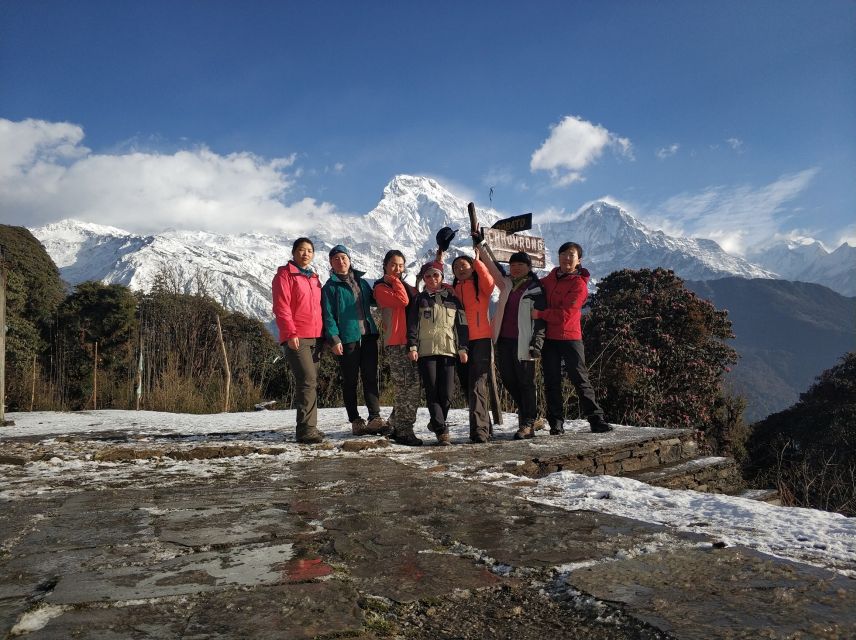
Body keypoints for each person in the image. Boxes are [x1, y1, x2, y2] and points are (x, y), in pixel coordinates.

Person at [534, 242, 613, 434]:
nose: (566, 258)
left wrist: (540, 315)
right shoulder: (547, 280)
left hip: (570, 337)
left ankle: (596, 419)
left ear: (579, 260)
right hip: (550, 339)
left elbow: (565, 314)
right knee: (551, 382)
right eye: (563, 254)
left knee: (579, 378)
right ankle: (556, 423)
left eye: (571, 255)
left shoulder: (579, 285)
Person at [478, 245, 546, 439]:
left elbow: (540, 320)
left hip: (524, 343)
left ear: (529, 267)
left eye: (520, 264)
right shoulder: (507, 283)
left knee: (526, 383)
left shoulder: (536, 289)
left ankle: (528, 423)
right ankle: (530, 413)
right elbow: (492, 267)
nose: (515, 268)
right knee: (508, 380)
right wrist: (481, 245)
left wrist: (537, 343)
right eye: (512, 264)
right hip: (504, 340)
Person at [322, 244, 387, 436]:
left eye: (343, 258)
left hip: (368, 336)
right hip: (347, 339)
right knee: (350, 381)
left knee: (370, 378)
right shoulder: (330, 288)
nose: (340, 261)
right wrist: (334, 339)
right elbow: (328, 316)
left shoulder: (362, 282)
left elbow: (376, 300)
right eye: (336, 259)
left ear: (349, 260)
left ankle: (375, 418)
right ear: (331, 264)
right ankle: (355, 420)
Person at [407, 261, 469, 445]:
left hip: (449, 351)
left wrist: (463, 348)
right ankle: (442, 431)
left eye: (436, 275)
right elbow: (412, 325)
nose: (432, 279)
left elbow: (461, 326)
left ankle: (436, 421)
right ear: (423, 279)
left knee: (448, 393)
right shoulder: (419, 299)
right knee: (432, 391)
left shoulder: (454, 299)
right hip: (426, 351)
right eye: (428, 276)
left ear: (442, 277)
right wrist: (412, 347)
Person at [272, 237, 325, 444]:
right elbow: (281, 306)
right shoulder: (285, 275)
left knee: (310, 382)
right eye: (302, 250)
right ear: (293, 252)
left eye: (310, 251)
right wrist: (290, 332)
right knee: (307, 380)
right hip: (297, 336)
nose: (306, 254)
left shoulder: (314, 277)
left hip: (316, 337)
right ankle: (304, 429)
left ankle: (310, 426)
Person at [373, 250, 423, 446]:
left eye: (401, 265)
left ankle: (396, 423)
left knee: (410, 386)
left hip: (411, 342)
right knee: (407, 388)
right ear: (385, 265)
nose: (397, 269)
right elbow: (403, 300)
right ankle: (404, 430)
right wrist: (394, 280)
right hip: (396, 342)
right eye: (393, 264)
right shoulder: (380, 287)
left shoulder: (404, 286)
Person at [448, 251, 495, 443]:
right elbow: (433, 279)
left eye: (464, 265)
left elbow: (490, 283)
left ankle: (479, 432)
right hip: (459, 343)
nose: (460, 269)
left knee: (477, 384)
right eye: (456, 267)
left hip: (481, 338)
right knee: (469, 386)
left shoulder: (480, 286)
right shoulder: (452, 289)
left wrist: (477, 261)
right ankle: (485, 426)